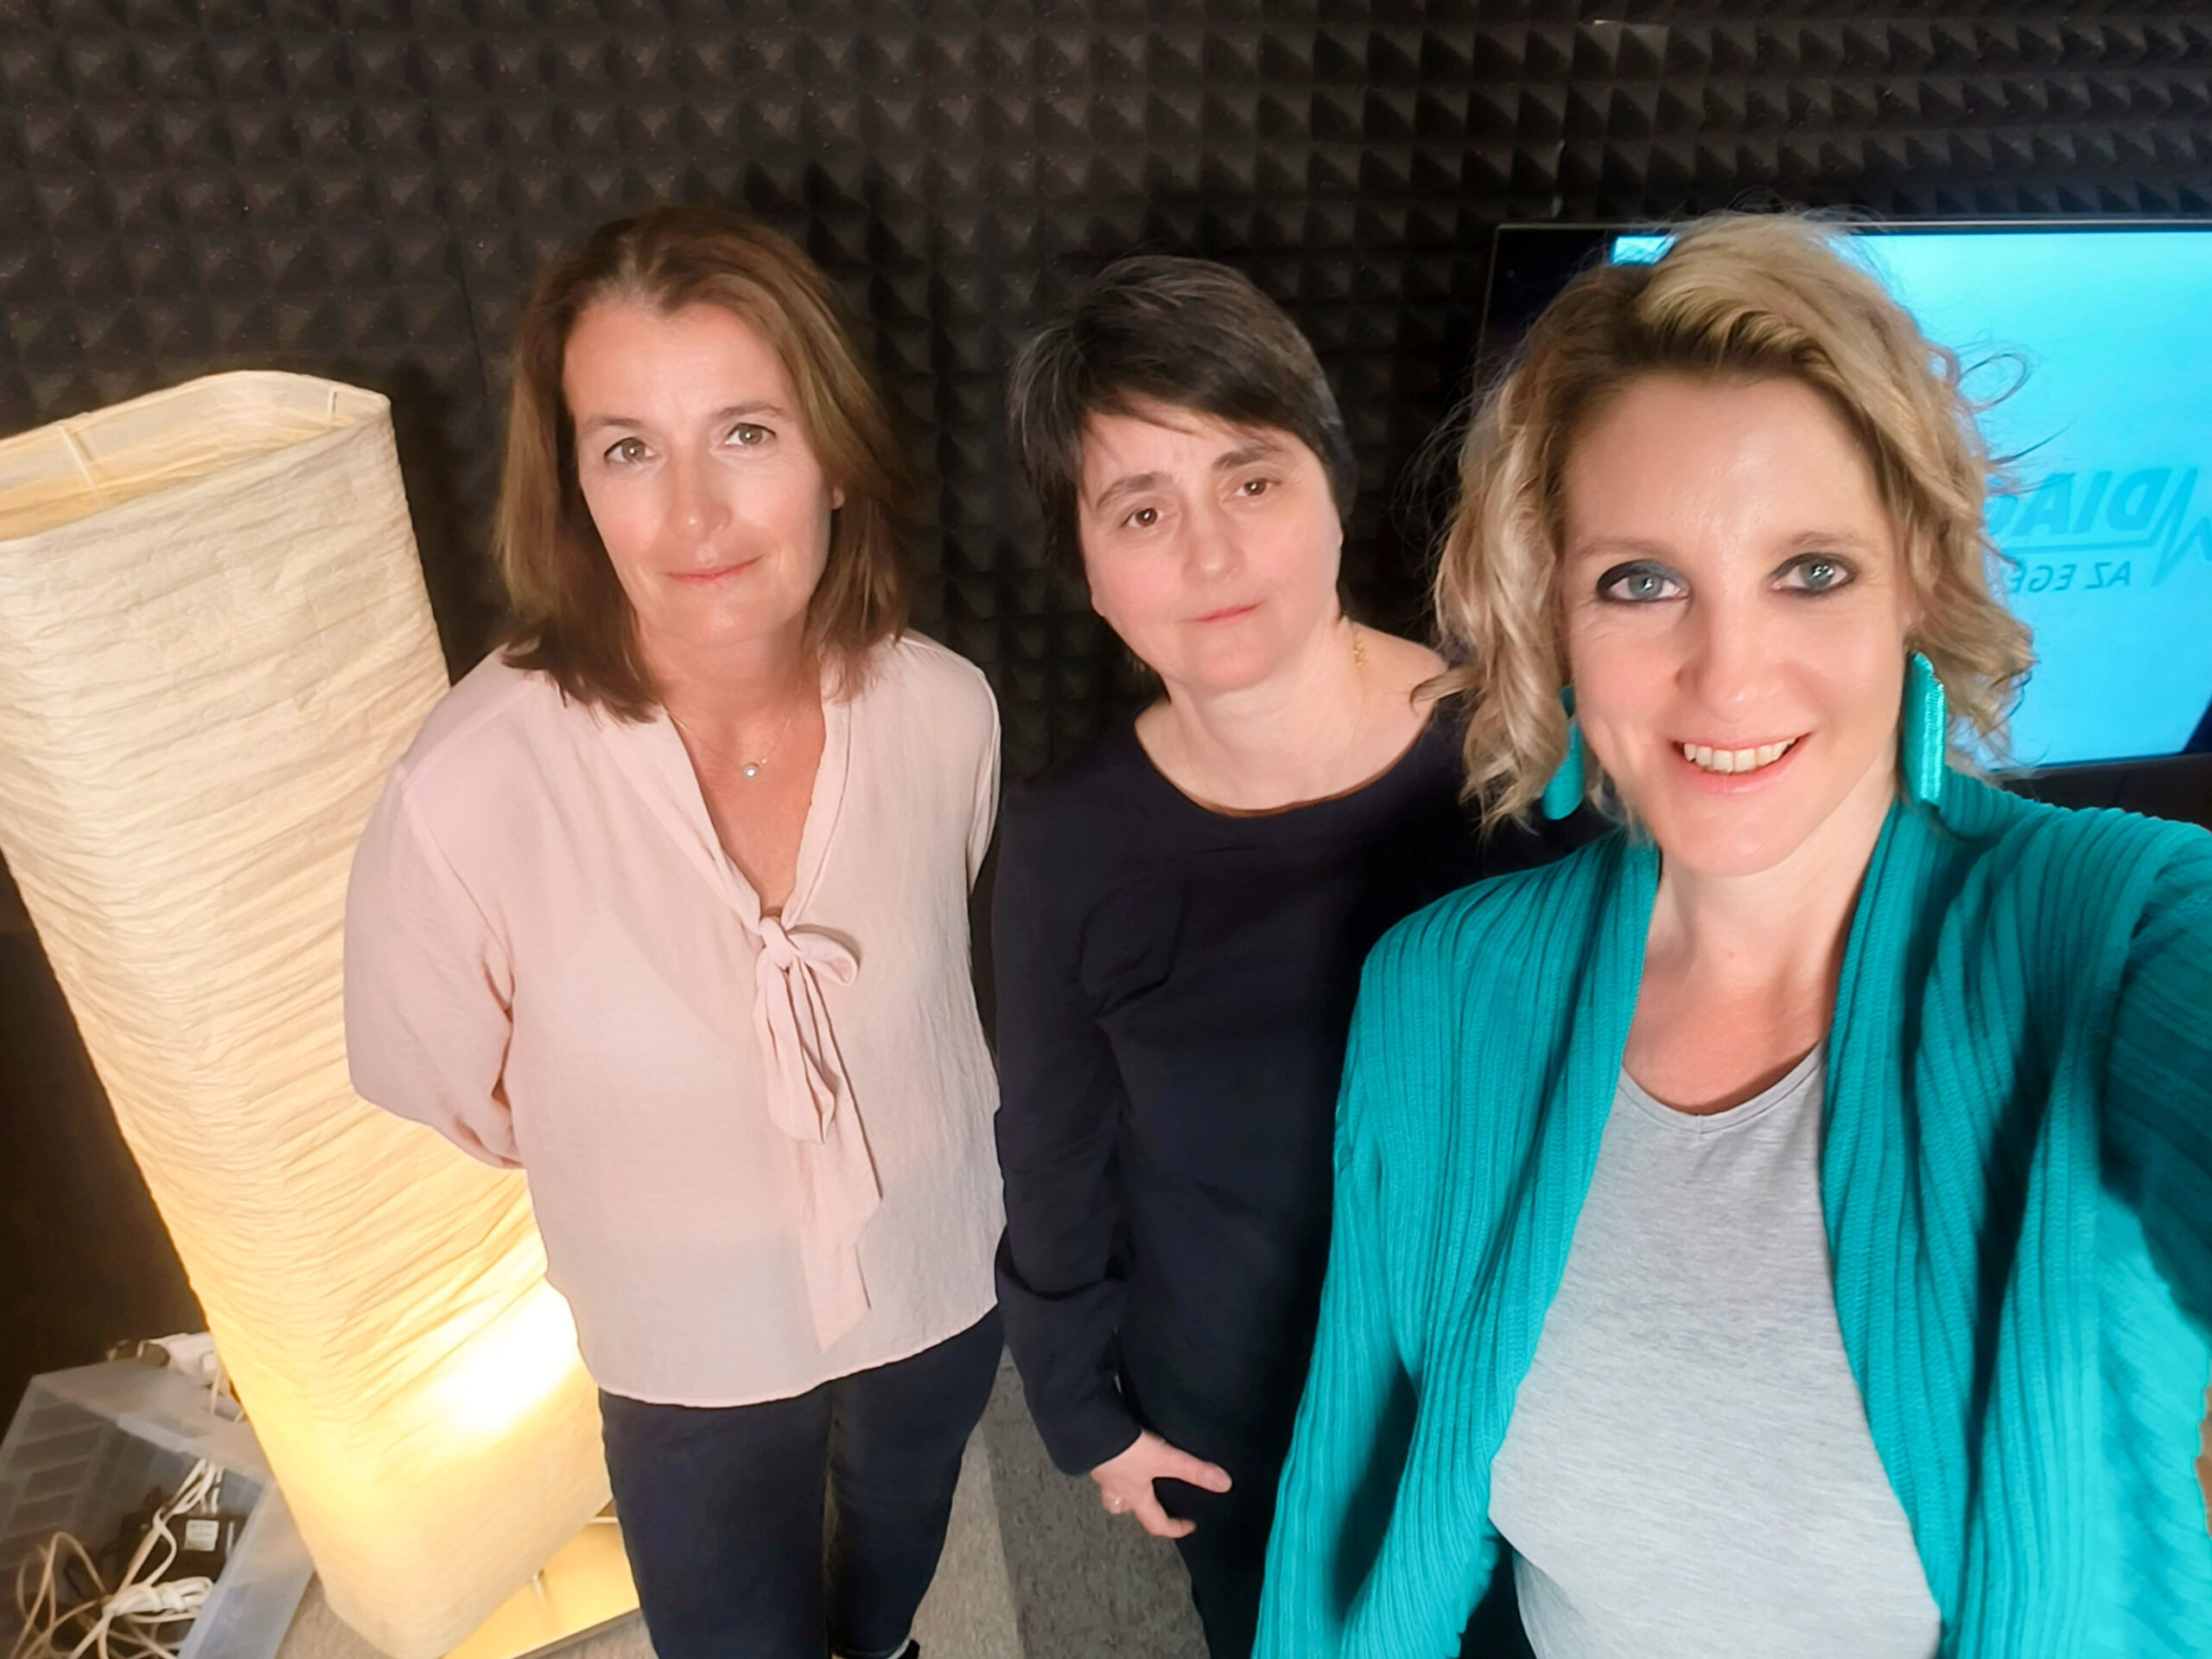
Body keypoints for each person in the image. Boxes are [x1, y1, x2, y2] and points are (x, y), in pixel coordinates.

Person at [1256, 212, 2212, 1658]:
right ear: (1555, 621)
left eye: (1810, 570)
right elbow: (1354, 1510)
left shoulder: (2124, 934)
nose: (1730, 671)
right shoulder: (1440, 994)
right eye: (1641, 582)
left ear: (1916, 584)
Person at [343, 206, 1004, 1659]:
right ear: (573, 484)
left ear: (836, 455)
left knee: (889, 1572)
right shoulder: (470, 786)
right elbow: (442, 1077)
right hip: (679, 1340)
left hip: (937, 1271)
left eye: (746, 434)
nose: (693, 517)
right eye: (629, 448)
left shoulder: (947, 709)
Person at [992, 256, 1573, 1658]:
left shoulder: (1530, 752)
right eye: (1143, 510)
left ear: (1330, 484)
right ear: (1087, 569)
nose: (1210, 555)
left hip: (1518, 1390)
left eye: (1250, 480)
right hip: (1242, 1416)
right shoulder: (1066, 843)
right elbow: (1053, 1152)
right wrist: (1081, 1409)